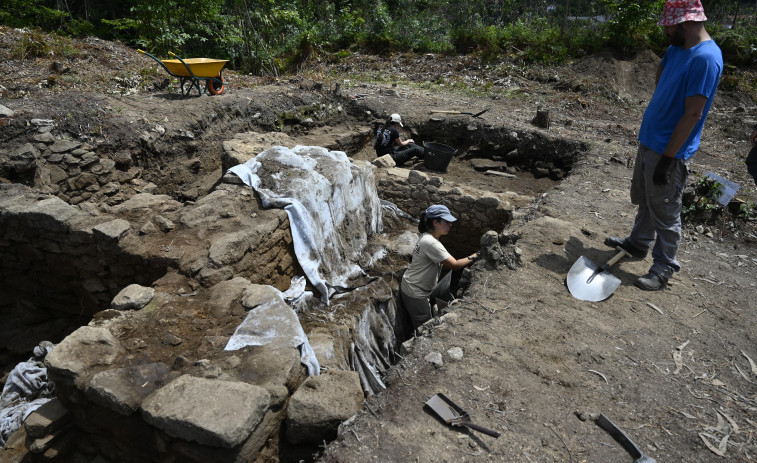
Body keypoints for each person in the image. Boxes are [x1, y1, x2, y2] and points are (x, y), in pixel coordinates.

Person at [605, 0, 723, 291]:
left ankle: (663, 267)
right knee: (646, 198)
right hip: (651, 140)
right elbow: (661, 73)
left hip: (669, 150)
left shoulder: (705, 58)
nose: (666, 32)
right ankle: (637, 243)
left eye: (668, 26)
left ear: (685, 22)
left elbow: (693, 113)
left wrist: (669, 157)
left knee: (666, 210)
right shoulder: (678, 49)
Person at [400, 205, 478, 329]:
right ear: (435, 222)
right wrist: (475, 255)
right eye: (446, 222)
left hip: (414, 286)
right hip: (416, 293)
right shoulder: (431, 243)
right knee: (425, 328)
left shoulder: (427, 237)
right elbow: (455, 265)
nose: (450, 225)